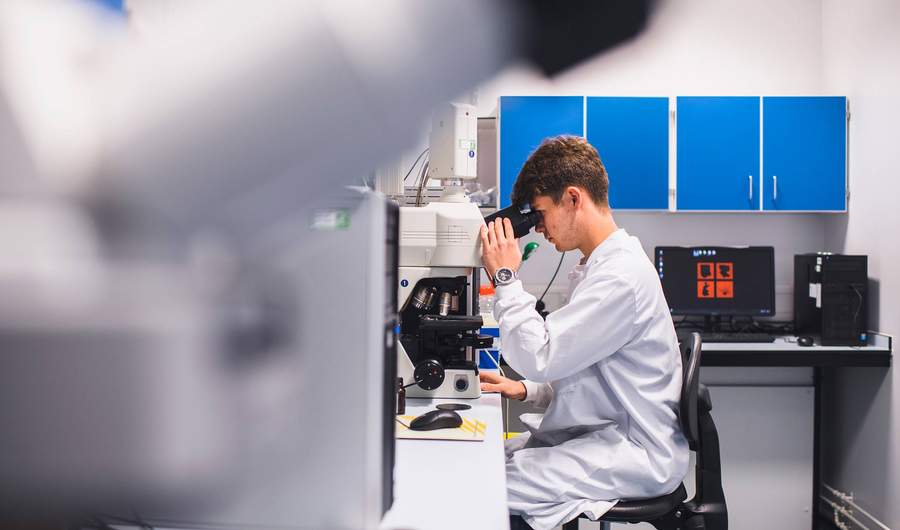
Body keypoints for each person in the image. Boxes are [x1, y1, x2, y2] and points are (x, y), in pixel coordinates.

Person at [479, 136, 689, 530]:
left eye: (540, 213)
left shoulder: (619, 278)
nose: (538, 229)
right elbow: (593, 380)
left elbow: (541, 358)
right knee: (487, 459)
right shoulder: (599, 268)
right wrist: (526, 390)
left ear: (573, 198)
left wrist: (505, 277)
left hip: (635, 453)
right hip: (609, 435)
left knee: (484, 484)